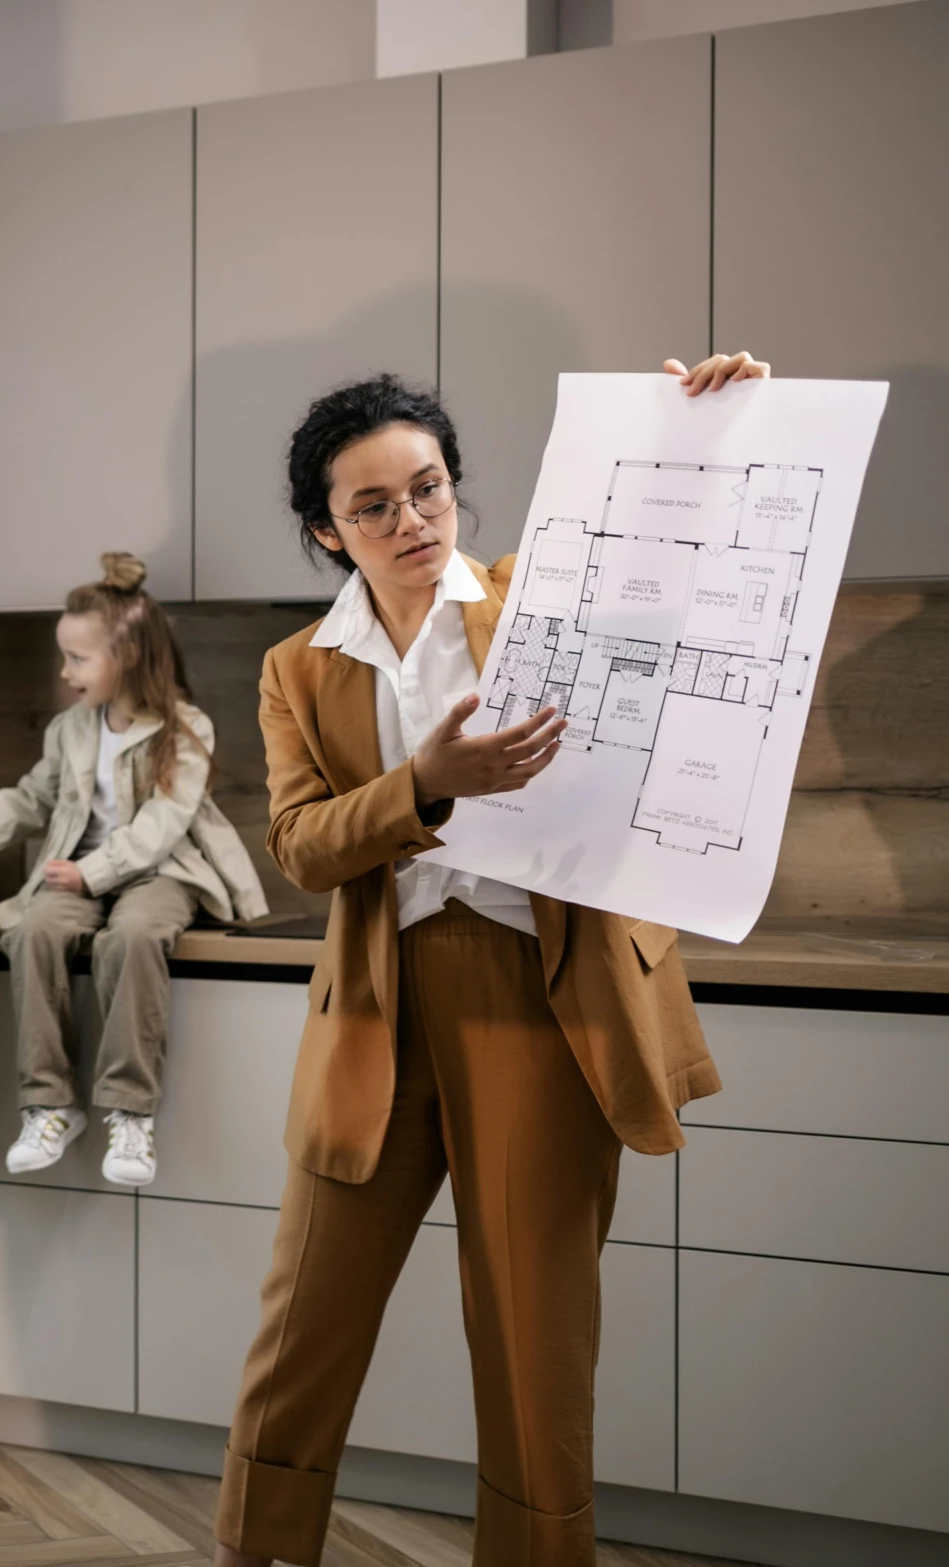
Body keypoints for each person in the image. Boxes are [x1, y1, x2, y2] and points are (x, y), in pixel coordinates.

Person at [210, 351, 767, 1567]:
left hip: (537, 1001)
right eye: (373, 505)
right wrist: (422, 789)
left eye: (428, 488)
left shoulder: (542, 596)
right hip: (376, 1009)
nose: (409, 520)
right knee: (300, 1332)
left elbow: (685, 564)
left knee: (533, 1343)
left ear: (454, 486)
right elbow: (301, 847)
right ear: (325, 531)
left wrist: (706, 427)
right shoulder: (297, 669)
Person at [0, 553, 269, 1188]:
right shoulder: (70, 730)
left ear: (129, 657)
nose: (66, 672)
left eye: (78, 659)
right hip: (76, 872)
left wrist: (94, 873)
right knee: (31, 932)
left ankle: (129, 1109)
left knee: (134, 937)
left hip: (160, 872)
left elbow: (163, 825)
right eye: (65, 658)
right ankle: (49, 1102)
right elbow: (28, 799)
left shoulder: (187, 729)